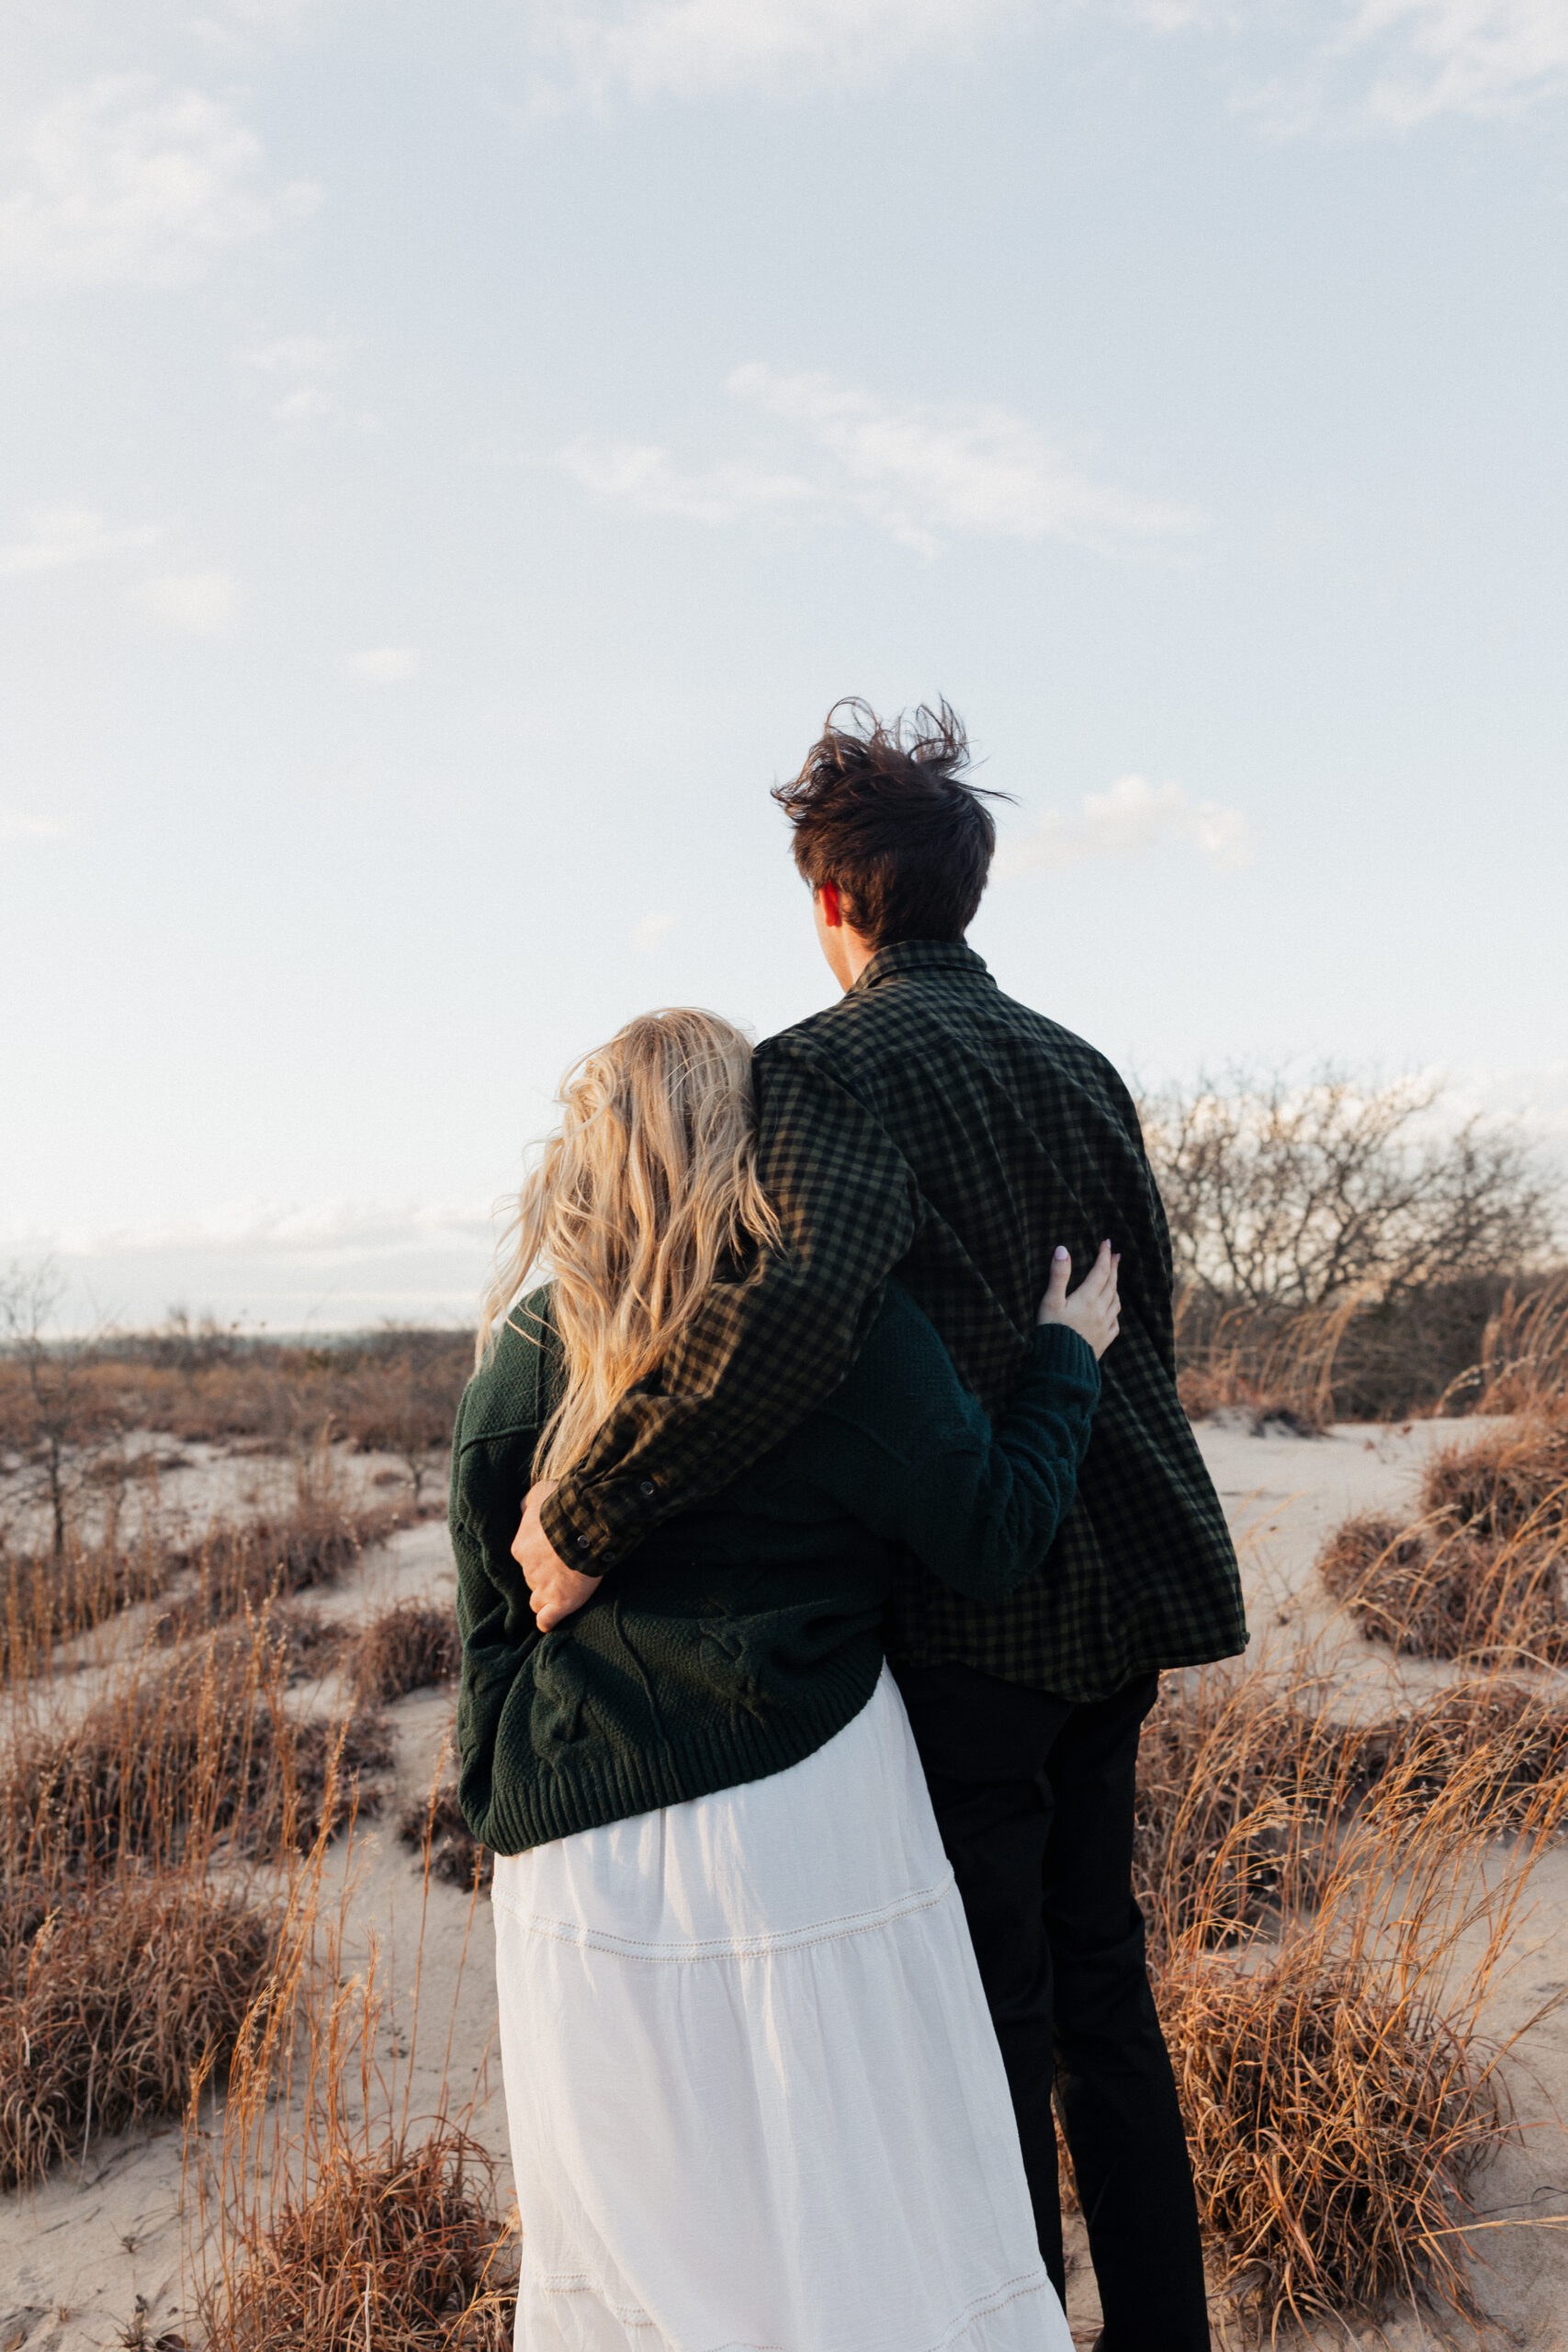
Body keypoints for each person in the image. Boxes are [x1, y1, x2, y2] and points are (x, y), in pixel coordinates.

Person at [512, 703, 1248, 2352]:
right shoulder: (1082, 1065)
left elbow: (790, 1309)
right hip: (1123, 1593)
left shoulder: (817, 1075)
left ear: (830, 901)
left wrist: (598, 1504)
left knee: (986, 2012)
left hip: (981, 1613)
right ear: (964, 894)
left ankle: (1010, 2325)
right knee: (1106, 1994)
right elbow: (1141, 1321)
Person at [452, 1006, 1122, 2352]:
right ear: (751, 1141)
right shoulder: (842, 1337)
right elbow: (991, 1532)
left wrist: (504, 1796)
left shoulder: (528, 1350)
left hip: (573, 1853)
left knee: (648, 2266)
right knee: (866, 2220)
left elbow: (490, 1625)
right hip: (808, 1812)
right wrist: (1065, 1363)